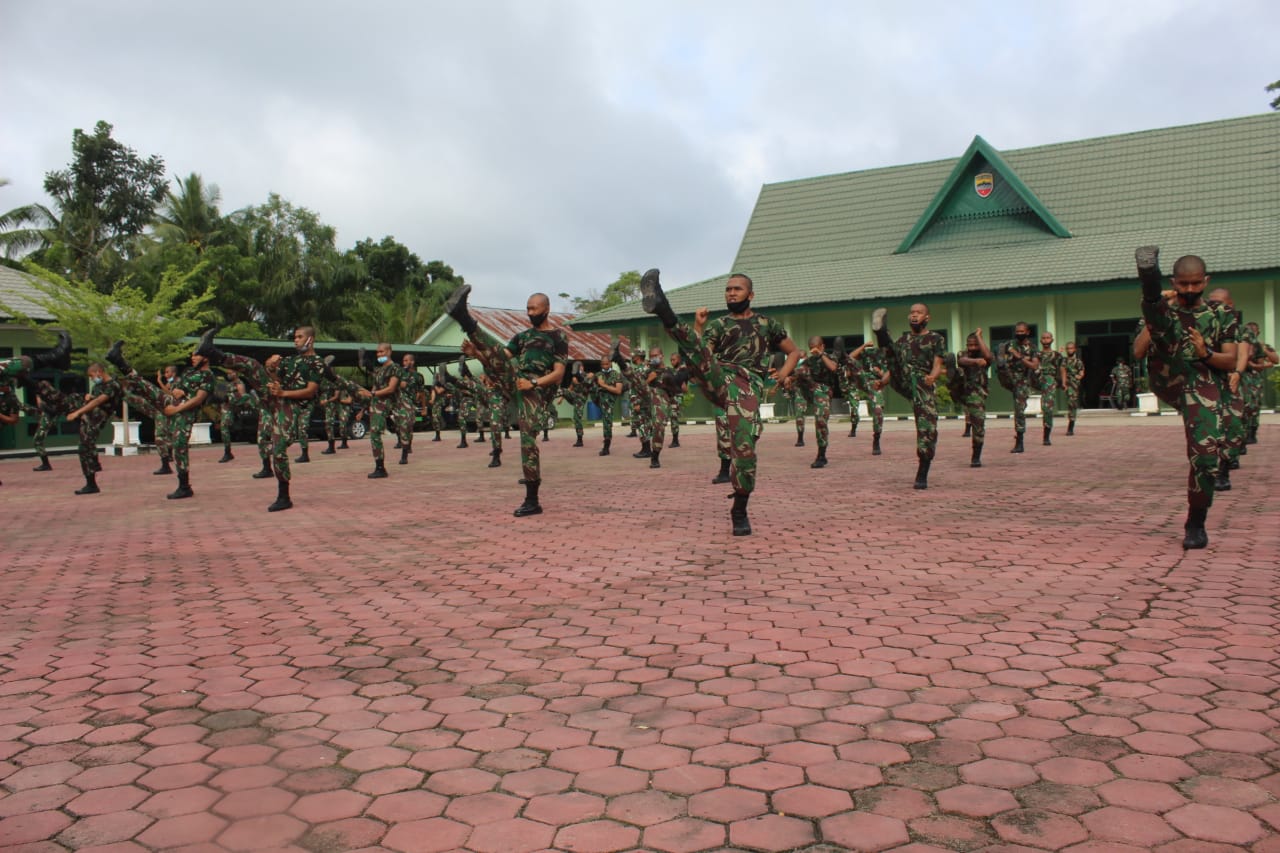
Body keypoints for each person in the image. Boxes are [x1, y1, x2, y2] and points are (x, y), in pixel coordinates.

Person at [639, 269, 799, 535]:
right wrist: (699, 327)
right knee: (698, 355)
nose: (731, 293)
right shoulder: (719, 325)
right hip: (720, 375)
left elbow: (794, 351)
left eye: (737, 289)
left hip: (748, 385)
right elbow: (700, 352)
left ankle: (739, 508)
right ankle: (662, 307)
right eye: (728, 289)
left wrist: (783, 374)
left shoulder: (767, 324)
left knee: (745, 450)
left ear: (751, 294)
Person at [1135, 247, 1237, 549]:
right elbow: (1138, 351)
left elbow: (1230, 360)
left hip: (1201, 380)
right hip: (1167, 377)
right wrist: (1154, 315)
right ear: (1173, 281)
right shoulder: (1164, 309)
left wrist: (1206, 352)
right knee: (1156, 311)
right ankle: (1147, 273)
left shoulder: (1221, 315)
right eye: (1183, 284)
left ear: (1206, 280)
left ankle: (1196, 521)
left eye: (1195, 283)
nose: (1189, 289)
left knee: (1206, 458)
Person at [448, 287, 568, 517]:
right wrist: (477, 354)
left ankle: (532, 500)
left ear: (547, 309)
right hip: (518, 381)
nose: (531, 312)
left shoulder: (558, 336)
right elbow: (500, 358)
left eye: (535, 308)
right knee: (495, 355)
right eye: (528, 308)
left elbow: (559, 373)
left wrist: (534, 384)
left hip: (538, 388)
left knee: (527, 440)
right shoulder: (522, 337)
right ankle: (464, 318)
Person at [195, 326, 322, 511]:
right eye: (294, 337)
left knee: (278, 450)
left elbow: (310, 391)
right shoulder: (291, 361)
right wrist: (271, 368)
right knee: (253, 365)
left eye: (300, 337)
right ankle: (213, 353)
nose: (296, 340)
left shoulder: (316, 362)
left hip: (293, 407)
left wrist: (283, 391)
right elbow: (275, 376)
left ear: (311, 339)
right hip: (275, 400)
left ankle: (284, 496)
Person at [107, 341, 215, 499]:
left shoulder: (209, 376)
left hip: (186, 413)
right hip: (172, 404)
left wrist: (177, 409)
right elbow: (178, 392)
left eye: (196, 355)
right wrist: (177, 393)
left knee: (179, 446)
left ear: (206, 357)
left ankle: (184, 486)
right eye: (192, 355)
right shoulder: (190, 373)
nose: (192, 358)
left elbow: (199, 399)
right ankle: (120, 362)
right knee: (146, 388)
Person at [870, 304, 945, 489]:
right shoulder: (904, 340)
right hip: (903, 378)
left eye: (918, 313)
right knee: (893, 353)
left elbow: (938, 363)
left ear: (927, 317)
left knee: (927, 426)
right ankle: (882, 334)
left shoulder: (935, 338)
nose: (914, 315)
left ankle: (922, 473)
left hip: (922, 382)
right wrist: (883, 382)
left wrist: (933, 376)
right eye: (912, 313)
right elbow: (894, 365)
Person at [64, 362, 125, 495]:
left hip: (97, 419)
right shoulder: (98, 386)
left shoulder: (113, 385)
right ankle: (93, 471)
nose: (92, 379)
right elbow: (94, 399)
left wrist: (77, 412)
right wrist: (89, 398)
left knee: (84, 448)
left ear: (99, 372)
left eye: (92, 376)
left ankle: (91, 484)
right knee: (86, 446)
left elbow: (99, 401)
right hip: (89, 418)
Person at [790, 336, 839, 468]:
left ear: (822, 346)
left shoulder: (830, 357)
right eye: (811, 348)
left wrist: (822, 354)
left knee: (820, 421)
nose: (814, 351)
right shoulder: (809, 361)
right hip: (811, 390)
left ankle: (821, 455)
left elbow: (833, 368)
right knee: (800, 370)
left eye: (816, 348)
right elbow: (797, 372)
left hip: (823, 391)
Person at [949, 329, 993, 467]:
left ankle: (976, 456)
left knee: (978, 424)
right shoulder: (963, 354)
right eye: (970, 345)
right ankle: (951, 378)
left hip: (977, 393)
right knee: (956, 373)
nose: (972, 347)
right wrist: (975, 361)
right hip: (962, 390)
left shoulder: (984, 355)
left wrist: (980, 336)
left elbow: (988, 356)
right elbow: (962, 360)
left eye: (975, 345)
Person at [361, 342, 402, 478]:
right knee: (374, 434)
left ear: (389, 352)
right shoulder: (380, 370)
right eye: (378, 352)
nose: (379, 354)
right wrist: (368, 399)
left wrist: (373, 394)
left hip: (385, 403)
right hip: (376, 403)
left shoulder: (394, 368)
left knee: (375, 433)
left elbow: (391, 388)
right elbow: (375, 387)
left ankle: (380, 468)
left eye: (382, 352)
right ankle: (379, 466)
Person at [997, 322, 1039, 453]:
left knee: (1019, 410)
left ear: (1027, 332)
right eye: (1017, 331)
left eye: (1022, 331)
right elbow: (999, 357)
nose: (1019, 334)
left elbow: (1034, 366)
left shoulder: (1032, 347)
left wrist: (1019, 356)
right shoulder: (1008, 344)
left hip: (1022, 381)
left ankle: (1019, 441)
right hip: (1008, 379)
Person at [27, 379, 75, 471]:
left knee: (37, 441)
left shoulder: (52, 397)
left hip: (49, 418)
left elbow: (43, 406)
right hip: (46, 417)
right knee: (37, 441)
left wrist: (39, 399)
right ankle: (45, 464)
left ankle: (46, 464)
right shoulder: (50, 396)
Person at [1037, 332, 1065, 446]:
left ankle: (1046, 435)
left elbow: (1062, 369)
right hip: (1037, 380)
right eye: (1043, 338)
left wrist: (1063, 382)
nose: (1046, 340)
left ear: (1052, 340)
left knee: (1047, 408)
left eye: (1048, 338)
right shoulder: (1037, 354)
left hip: (1050, 380)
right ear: (1040, 340)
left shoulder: (1057, 355)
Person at [594, 352, 624, 456]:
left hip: (609, 403)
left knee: (607, 423)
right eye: (602, 364)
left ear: (610, 363)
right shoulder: (598, 375)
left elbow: (618, 390)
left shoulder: (616, 374)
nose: (605, 366)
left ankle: (606, 447)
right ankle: (606, 446)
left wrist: (604, 385)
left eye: (606, 364)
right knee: (606, 423)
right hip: (600, 402)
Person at [395, 353, 424, 462]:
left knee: (407, 427)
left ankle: (404, 454)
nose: (406, 363)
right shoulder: (399, 374)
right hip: (398, 404)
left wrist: (424, 407)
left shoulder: (418, 376)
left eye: (408, 360)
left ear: (413, 362)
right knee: (400, 427)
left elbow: (421, 393)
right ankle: (405, 446)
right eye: (404, 361)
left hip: (409, 405)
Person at [1062, 341, 1085, 435]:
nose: (1069, 350)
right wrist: (1064, 382)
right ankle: (1070, 425)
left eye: (1071, 348)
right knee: (1070, 404)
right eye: (1068, 348)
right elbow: (1062, 371)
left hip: (1074, 385)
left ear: (1075, 349)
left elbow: (1082, 372)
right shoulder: (1064, 360)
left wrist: (1077, 377)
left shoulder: (1078, 361)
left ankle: (1070, 426)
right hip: (1066, 384)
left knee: (1072, 404)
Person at [668, 352, 688, 448]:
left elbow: (678, 380)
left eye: (674, 360)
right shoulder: (673, 370)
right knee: (672, 417)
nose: (672, 362)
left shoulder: (683, 370)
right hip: (671, 396)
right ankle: (674, 439)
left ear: (679, 360)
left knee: (674, 416)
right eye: (671, 360)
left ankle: (675, 440)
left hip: (677, 396)